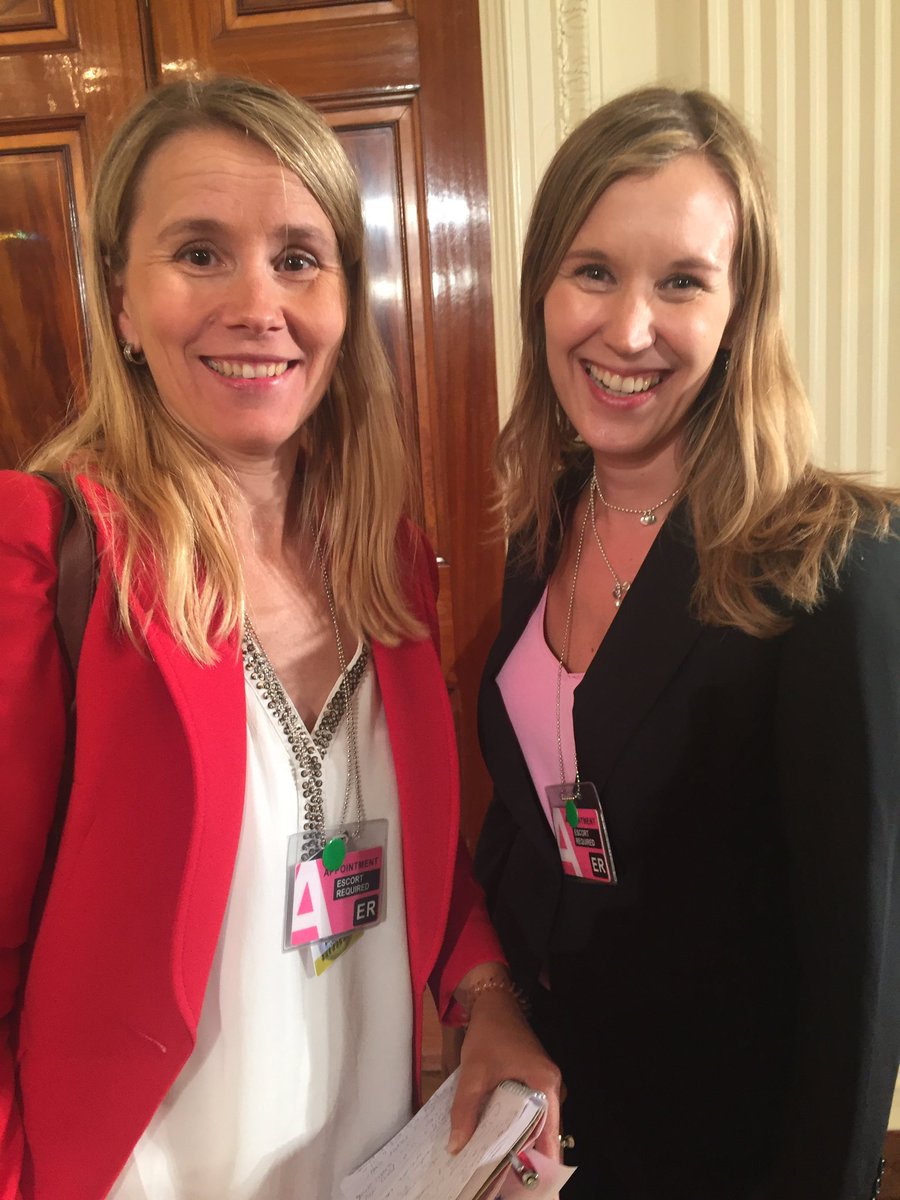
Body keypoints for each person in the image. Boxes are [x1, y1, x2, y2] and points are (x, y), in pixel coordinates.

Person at [0, 75, 559, 1200]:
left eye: (299, 258)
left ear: (346, 300)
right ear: (120, 301)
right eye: (200, 253)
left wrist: (488, 998)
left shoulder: (386, 560)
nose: (259, 305)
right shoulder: (43, 556)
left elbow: (415, 850)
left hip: (369, 1167)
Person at [474, 84, 900, 1200]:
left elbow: (859, 979)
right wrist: (490, 1004)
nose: (628, 330)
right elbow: (528, 813)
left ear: (739, 310)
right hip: (546, 1116)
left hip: (727, 1153)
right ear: (541, 289)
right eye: (594, 270)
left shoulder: (837, 568)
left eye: (681, 282)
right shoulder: (541, 525)